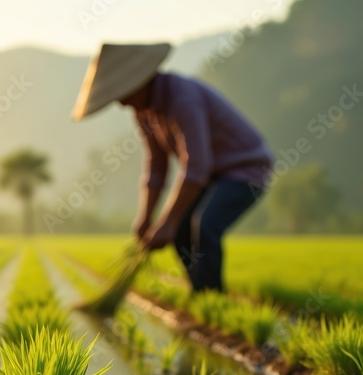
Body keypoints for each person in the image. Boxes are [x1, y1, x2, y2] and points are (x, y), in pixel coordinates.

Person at [72, 43, 273, 293]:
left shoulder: (182, 98)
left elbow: (197, 165)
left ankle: (211, 296)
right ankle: (201, 291)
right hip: (211, 175)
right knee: (181, 230)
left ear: (138, 81)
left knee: (205, 224)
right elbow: (157, 167)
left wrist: (167, 222)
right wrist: (145, 218)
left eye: (122, 94)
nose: (122, 104)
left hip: (245, 169)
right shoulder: (144, 112)